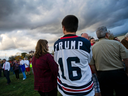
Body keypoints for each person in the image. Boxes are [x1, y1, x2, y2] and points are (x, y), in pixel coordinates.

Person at [54, 15, 94, 96]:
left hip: (66, 88)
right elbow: (89, 60)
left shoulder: (56, 44)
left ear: (63, 28)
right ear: (76, 27)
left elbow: (56, 61)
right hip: (84, 87)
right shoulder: (85, 42)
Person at [90, 26, 128, 96]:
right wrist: (126, 71)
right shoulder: (117, 43)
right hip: (118, 73)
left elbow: (92, 65)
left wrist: (98, 74)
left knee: (106, 94)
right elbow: (126, 59)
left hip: (103, 75)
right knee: (122, 92)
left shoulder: (92, 48)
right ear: (107, 34)